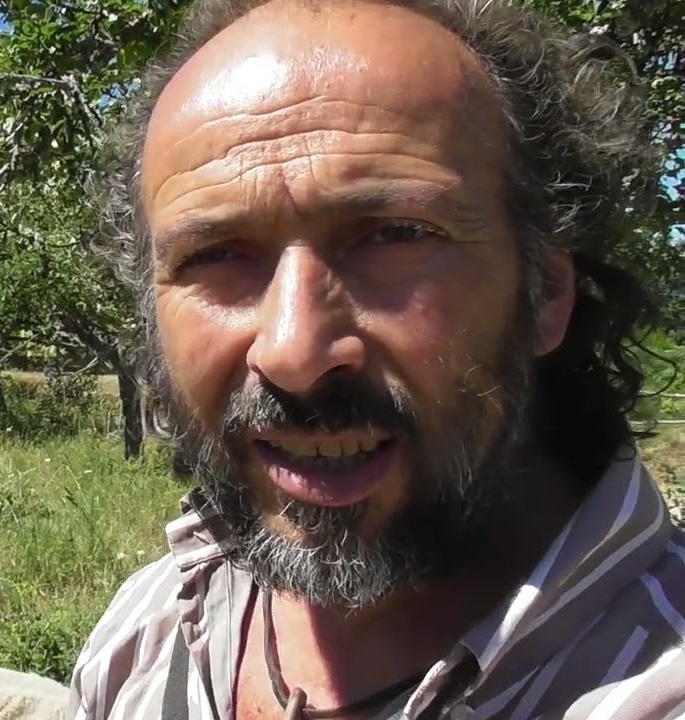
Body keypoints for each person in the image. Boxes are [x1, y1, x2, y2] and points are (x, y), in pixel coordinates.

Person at [70, 0, 684, 718]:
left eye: (393, 235)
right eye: (214, 256)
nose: (295, 352)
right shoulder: (149, 629)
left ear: (545, 291)